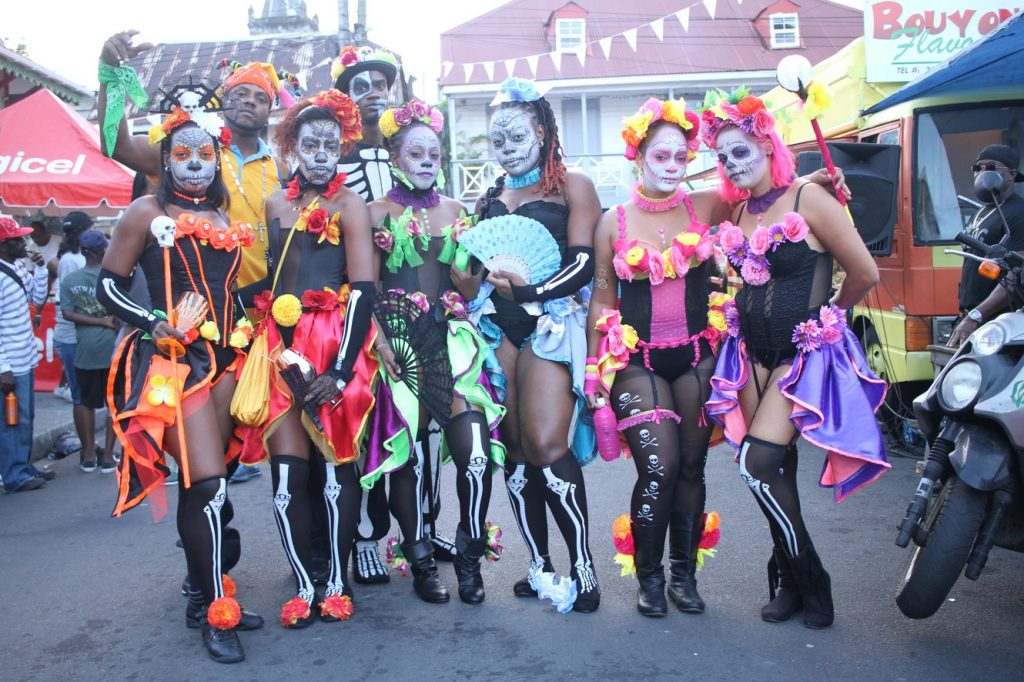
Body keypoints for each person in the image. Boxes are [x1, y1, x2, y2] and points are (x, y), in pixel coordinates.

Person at [701, 89, 889, 629]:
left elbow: (865, 273)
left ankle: (813, 580)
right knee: (775, 472)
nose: (734, 163)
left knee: (755, 466)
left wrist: (829, 317)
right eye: (724, 156)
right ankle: (786, 580)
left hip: (797, 356)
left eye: (742, 151)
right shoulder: (737, 208)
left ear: (767, 143)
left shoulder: (809, 198)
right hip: (751, 354)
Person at [96, 102, 262, 663]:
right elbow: (109, 288)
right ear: (165, 160)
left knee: (204, 484)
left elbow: (230, 291)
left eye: (204, 154)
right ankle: (218, 610)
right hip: (178, 361)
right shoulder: (146, 210)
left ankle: (198, 591)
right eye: (182, 154)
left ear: (217, 159)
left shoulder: (222, 218)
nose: (195, 164)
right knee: (210, 485)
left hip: (228, 361)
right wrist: (155, 322)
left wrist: (256, 327)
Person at [233, 89, 378, 627]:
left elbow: (362, 288)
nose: (321, 154)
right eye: (310, 144)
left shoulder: (350, 204)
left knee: (338, 468)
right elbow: (274, 281)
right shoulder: (275, 204)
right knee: (288, 474)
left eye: (330, 145)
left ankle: (337, 582)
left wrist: (342, 369)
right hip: (279, 346)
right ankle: (302, 580)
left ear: (342, 148)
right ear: (292, 147)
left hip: (334, 341)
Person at [585, 98, 725, 617]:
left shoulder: (706, 207)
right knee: (660, 466)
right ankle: (649, 576)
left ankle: (683, 576)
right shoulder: (613, 222)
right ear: (638, 156)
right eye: (660, 156)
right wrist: (592, 367)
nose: (671, 167)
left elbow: (767, 198)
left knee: (692, 465)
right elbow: (603, 297)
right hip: (636, 361)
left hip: (694, 357)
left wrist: (816, 186)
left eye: (680, 158)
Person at [365, 99, 506, 604]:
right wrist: (381, 340)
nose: (427, 160)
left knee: (474, 454)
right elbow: (367, 286)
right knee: (410, 459)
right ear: (395, 157)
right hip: (399, 348)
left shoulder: (457, 211)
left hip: (450, 342)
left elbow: (467, 287)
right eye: (415, 152)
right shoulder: (373, 213)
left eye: (433, 153)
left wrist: (477, 283)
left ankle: (469, 556)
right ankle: (420, 557)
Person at [476, 77, 601, 612]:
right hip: (497, 330)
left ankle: (584, 566)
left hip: (551, 323)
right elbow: (476, 269)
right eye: (497, 138)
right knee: (517, 455)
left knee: (549, 446)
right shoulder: (489, 197)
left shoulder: (574, 185)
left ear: (543, 130)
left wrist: (528, 289)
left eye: (517, 134)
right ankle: (539, 564)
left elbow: (582, 263)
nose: (507, 146)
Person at [948, 144, 1024, 346]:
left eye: (991, 167)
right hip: (973, 317)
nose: (982, 173)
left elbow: (1015, 275)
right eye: (978, 168)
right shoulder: (982, 212)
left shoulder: (1019, 213)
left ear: (1011, 175)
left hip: (998, 322)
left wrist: (976, 316)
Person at [0, 215, 54, 492]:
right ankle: (14, 474)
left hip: (25, 357)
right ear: (3, 244)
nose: (24, 242)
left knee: (26, 417)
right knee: (11, 421)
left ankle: (23, 465)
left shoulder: (18, 266)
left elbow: (35, 298)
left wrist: (41, 270)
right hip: (11, 363)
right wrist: (3, 367)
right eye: (17, 239)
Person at [59, 229, 119, 474]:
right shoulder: (113, 279)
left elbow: (66, 313)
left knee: (85, 402)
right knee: (114, 403)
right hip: (112, 350)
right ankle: (107, 456)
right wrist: (105, 322)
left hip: (84, 350)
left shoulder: (70, 281)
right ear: (103, 251)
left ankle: (88, 455)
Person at [333, 45, 400, 202]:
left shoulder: (404, 151)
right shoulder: (334, 154)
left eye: (379, 86)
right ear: (347, 96)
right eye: (362, 87)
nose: (374, 94)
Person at [52, 212, 90, 408]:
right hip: (71, 330)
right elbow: (71, 296)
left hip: (81, 328)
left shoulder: (79, 256)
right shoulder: (69, 259)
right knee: (80, 395)